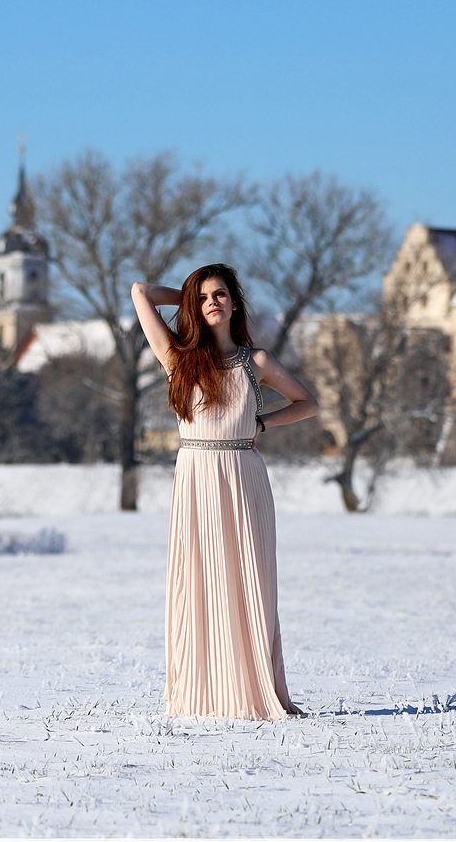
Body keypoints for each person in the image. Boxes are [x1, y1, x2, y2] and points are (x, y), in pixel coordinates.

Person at [132, 264, 320, 720]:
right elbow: (140, 292)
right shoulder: (177, 357)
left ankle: (253, 692)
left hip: (243, 475)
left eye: (220, 295)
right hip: (194, 477)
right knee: (196, 582)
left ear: (235, 302)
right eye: (203, 298)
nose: (211, 303)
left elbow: (308, 402)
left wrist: (263, 422)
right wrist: (189, 296)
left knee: (248, 583)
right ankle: (203, 693)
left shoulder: (256, 362)